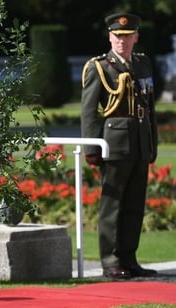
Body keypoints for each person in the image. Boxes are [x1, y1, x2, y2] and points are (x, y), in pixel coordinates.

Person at [81, 13, 158, 279]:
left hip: (140, 140)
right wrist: (92, 148)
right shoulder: (100, 66)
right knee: (112, 204)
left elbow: (150, 108)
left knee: (135, 203)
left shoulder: (143, 63)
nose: (121, 41)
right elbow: (89, 111)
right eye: (117, 36)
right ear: (109, 37)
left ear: (135, 37)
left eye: (126, 36)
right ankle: (110, 260)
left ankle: (129, 257)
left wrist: (152, 142)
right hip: (113, 143)